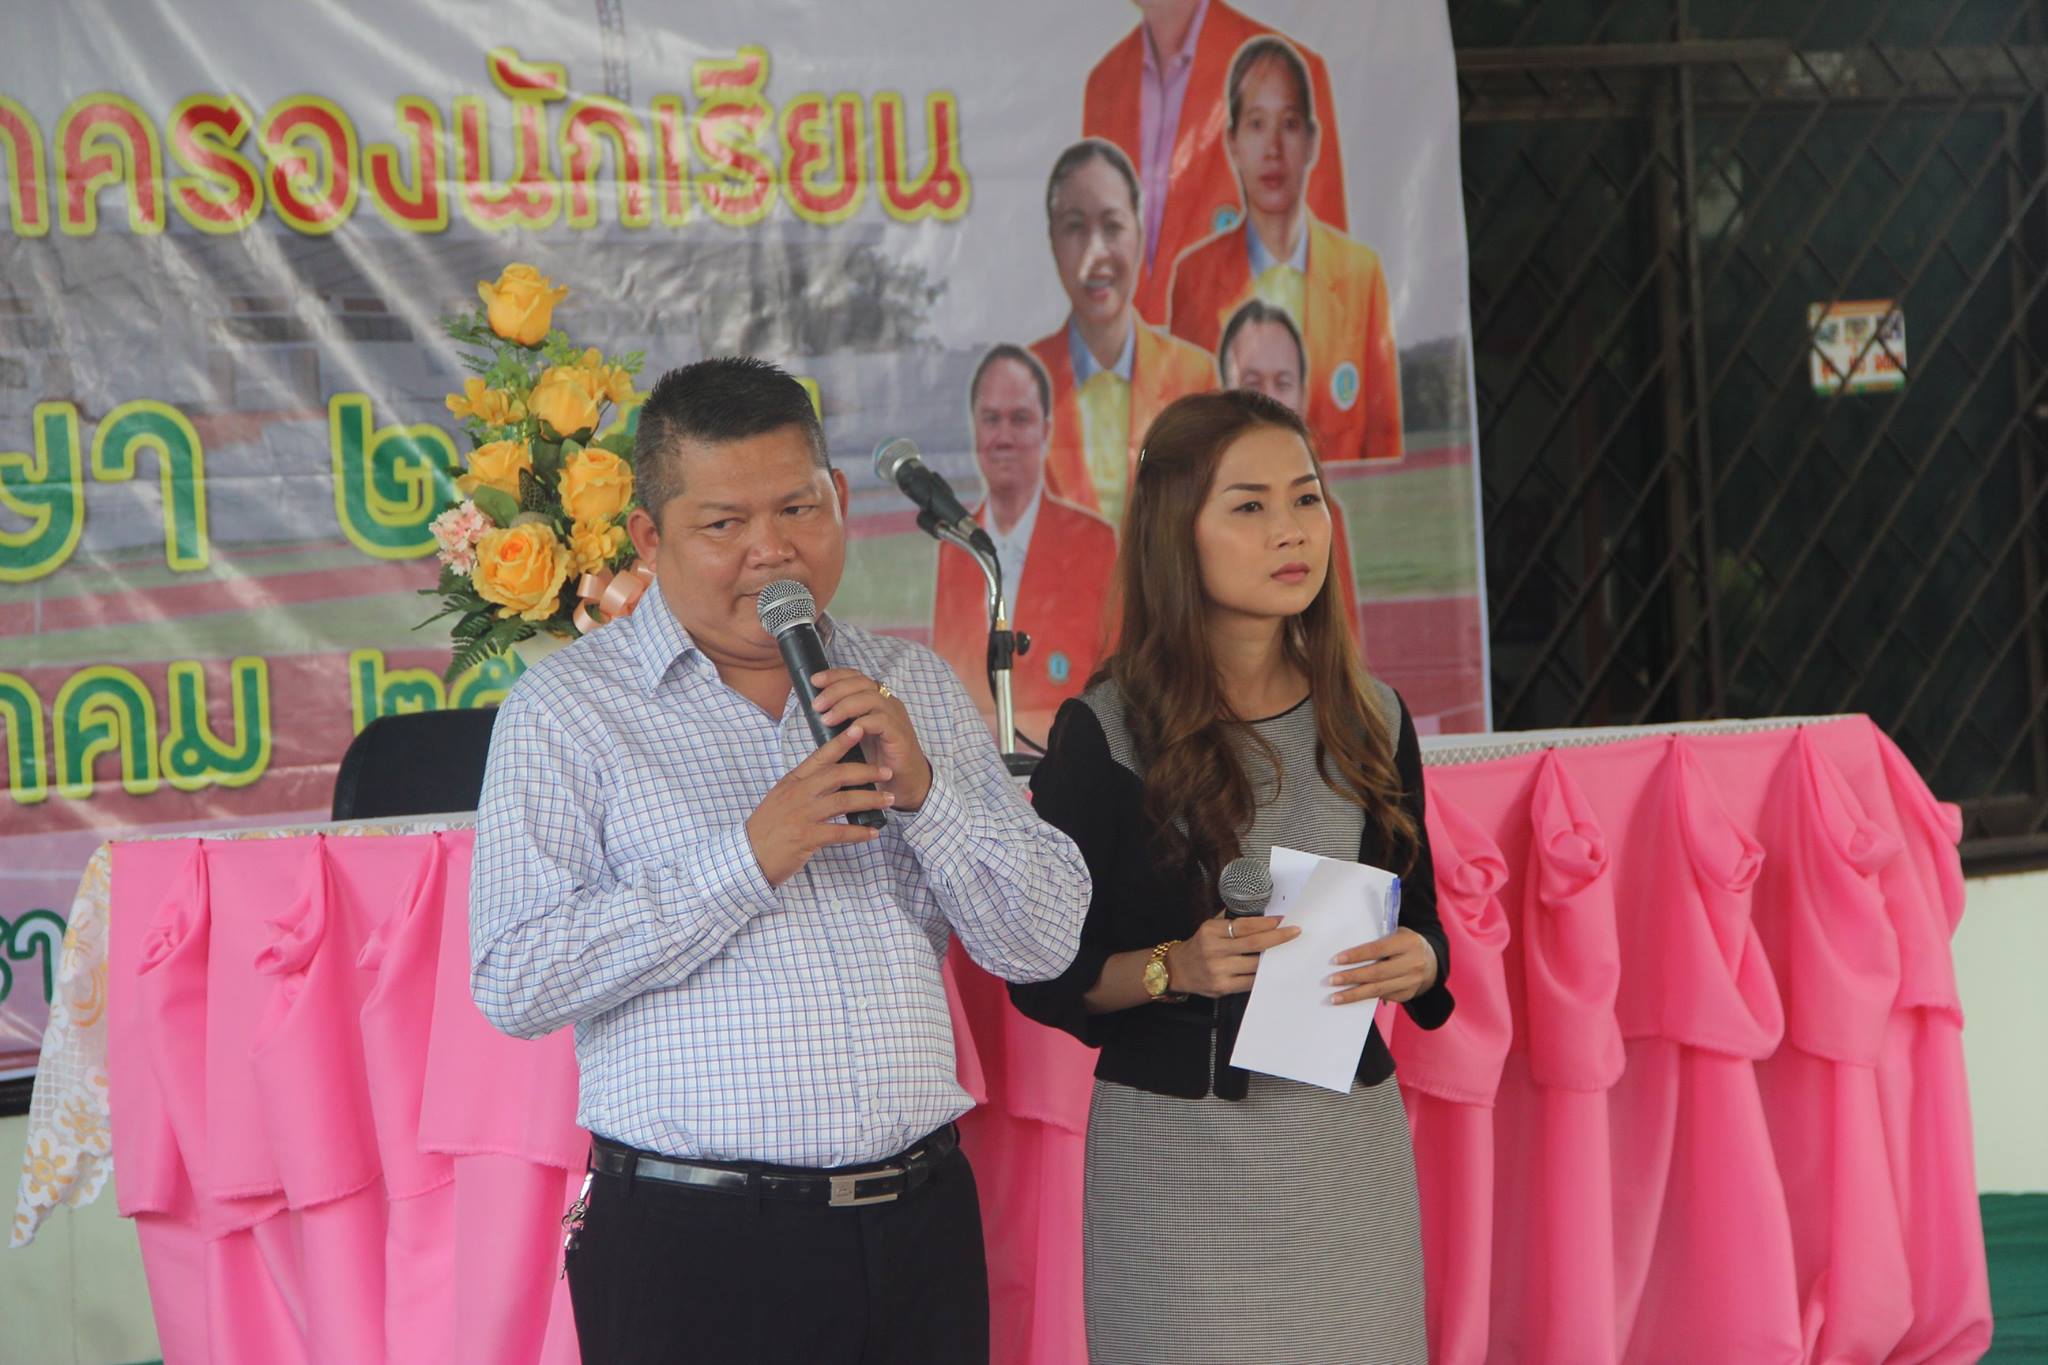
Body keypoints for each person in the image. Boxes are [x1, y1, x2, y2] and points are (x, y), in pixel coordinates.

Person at [469, 356, 1091, 1365]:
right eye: (724, 523)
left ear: (838, 499)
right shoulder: (569, 712)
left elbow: (1044, 942)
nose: (771, 550)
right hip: (696, 1245)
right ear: (648, 537)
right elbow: (516, 977)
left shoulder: (909, 684)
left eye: (798, 509)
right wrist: (749, 858)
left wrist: (926, 793)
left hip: (916, 1228)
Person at [1009, 389, 1452, 1364]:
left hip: (1345, 1156)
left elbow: (1422, 916)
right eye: (1249, 506)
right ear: (1178, 531)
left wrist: (1416, 959)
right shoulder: (1104, 731)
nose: (1290, 530)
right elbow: (1042, 973)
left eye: (1305, 498)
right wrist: (1172, 967)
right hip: (1176, 1168)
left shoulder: (1373, 715)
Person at [1168, 35, 1404, 462]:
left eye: (1290, 124)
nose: (1273, 149)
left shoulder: (1361, 274)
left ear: (1312, 141)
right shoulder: (1194, 277)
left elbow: (1383, 443)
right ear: (1233, 142)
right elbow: (1185, 441)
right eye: (1257, 124)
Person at [1082, 0, 1349, 324]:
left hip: (1241, 348)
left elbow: (1326, 290)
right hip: (1130, 351)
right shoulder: (1104, 84)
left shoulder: (1290, 74)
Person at [931, 344, 1118, 749]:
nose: (1004, 437)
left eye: (1019, 419)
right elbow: (948, 684)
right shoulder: (956, 547)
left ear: (1046, 431)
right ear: (975, 430)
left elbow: (1119, 684)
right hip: (976, 770)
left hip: (1070, 764)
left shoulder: (1093, 543)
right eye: (991, 419)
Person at [1029, 138, 1217, 528]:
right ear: (1052, 242)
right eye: (1075, 227)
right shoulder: (1025, 383)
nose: (1095, 252)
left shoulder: (1196, 377)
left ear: (1139, 236)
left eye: (1112, 226)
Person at [1218, 297, 1363, 633]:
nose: (1268, 400)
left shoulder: (1326, 519)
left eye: (1282, 384)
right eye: (1251, 384)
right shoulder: (1186, 506)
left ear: (1303, 395)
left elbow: (1343, 645)